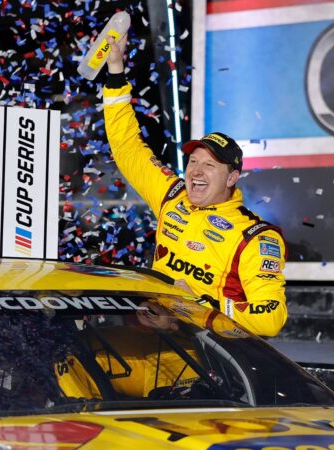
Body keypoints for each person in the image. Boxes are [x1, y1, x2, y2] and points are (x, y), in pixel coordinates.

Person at [101, 34, 287, 337]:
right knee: (66, 362)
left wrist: (198, 304)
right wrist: (115, 72)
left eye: (210, 165)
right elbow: (127, 147)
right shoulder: (172, 194)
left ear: (231, 178)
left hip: (201, 354)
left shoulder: (254, 238)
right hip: (151, 338)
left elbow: (271, 319)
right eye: (193, 162)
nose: (196, 172)